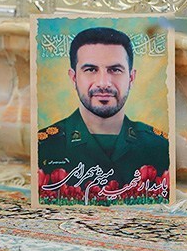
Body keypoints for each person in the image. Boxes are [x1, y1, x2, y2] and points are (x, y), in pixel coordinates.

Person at [37, 26, 169, 199]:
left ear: (131, 78)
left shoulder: (161, 147)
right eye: (91, 70)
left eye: (115, 70)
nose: (104, 83)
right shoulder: (43, 147)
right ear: (74, 77)